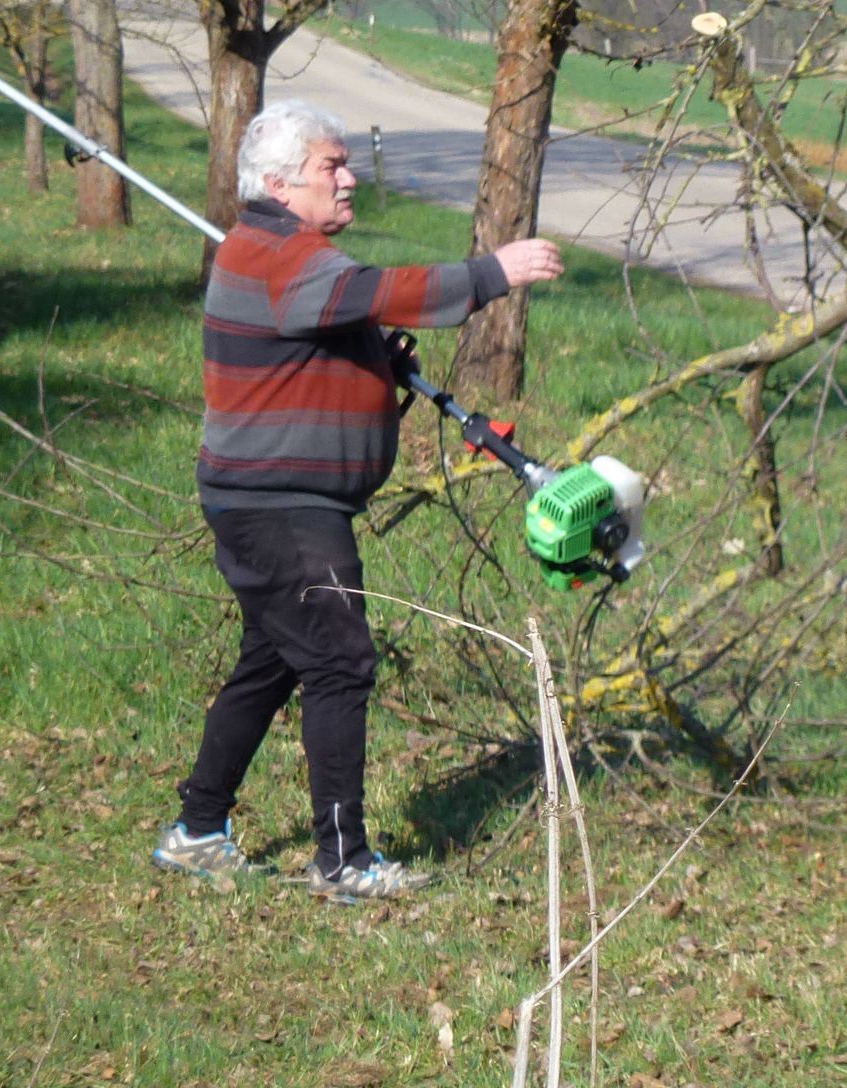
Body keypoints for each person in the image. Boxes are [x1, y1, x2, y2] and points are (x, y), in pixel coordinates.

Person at [155, 100, 564, 899]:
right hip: (281, 507)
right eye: (330, 168)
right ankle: (344, 861)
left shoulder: (284, 252)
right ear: (279, 183)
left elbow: (331, 325)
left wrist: (373, 369)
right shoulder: (278, 256)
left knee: (274, 662)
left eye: (347, 162)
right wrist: (492, 274)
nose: (349, 179)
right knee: (340, 661)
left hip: (278, 501)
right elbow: (379, 290)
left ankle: (197, 829)